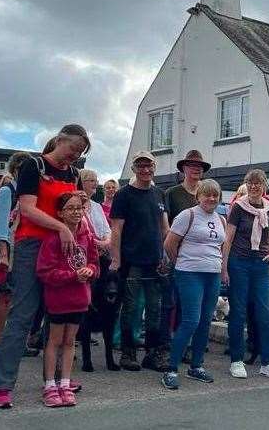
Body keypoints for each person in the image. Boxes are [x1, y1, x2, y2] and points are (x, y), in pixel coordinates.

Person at [0, 124, 89, 409]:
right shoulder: (33, 166)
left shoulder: (73, 173)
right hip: (33, 245)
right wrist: (61, 227)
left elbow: (75, 207)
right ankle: (3, 384)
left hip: (62, 248)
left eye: (80, 153)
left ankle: (57, 380)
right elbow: (29, 208)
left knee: (59, 315)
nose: (74, 157)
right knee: (23, 314)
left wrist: (76, 221)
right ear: (59, 140)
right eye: (72, 150)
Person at [221, 169, 269, 381]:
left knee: (265, 315)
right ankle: (237, 360)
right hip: (239, 262)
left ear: (264, 185)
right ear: (246, 184)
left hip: (260, 264)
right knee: (239, 312)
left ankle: (268, 362)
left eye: (258, 183)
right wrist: (224, 267)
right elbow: (228, 238)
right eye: (250, 183)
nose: (254, 186)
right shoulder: (238, 207)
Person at [161, 179, 226, 390]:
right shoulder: (187, 215)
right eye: (207, 194)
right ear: (198, 196)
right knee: (191, 320)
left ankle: (196, 365)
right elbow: (169, 243)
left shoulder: (221, 219)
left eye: (215, 195)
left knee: (206, 321)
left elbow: (221, 247)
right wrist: (180, 262)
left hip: (212, 274)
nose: (211, 198)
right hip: (190, 273)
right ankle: (170, 368)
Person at [36, 192, 99, 407]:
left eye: (79, 208)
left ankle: (65, 382)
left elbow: (94, 264)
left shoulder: (87, 237)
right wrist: (72, 275)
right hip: (58, 299)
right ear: (60, 213)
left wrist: (89, 271)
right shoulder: (52, 238)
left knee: (71, 341)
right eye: (70, 208)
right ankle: (50, 385)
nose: (76, 212)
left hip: (80, 299)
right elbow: (45, 272)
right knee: (54, 341)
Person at [109, 151, 170, 373]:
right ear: (134, 168)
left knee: (155, 309)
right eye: (140, 166)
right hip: (131, 261)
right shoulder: (123, 195)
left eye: (149, 166)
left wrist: (167, 256)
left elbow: (165, 229)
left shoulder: (159, 194)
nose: (145, 170)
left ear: (154, 167)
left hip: (155, 262)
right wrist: (116, 259)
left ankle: (152, 354)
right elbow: (116, 229)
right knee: (131, 308)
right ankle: (128, 353)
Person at [161, 150, 210, 355]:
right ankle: (167, 343)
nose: (195, 169)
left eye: (199, 166)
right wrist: (170, 254)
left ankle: (188, 345)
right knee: (171, 302)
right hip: (177, 255)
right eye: (191, 165)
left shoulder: (207, 194)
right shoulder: (172, 193)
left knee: (192, 304)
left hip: (201, 259)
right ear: (183, 169)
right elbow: (166, 225)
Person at [0, 152, 32, 348]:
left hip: (23, 246)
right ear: (15, 170)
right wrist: (4, 254)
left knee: (18, 297)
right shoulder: (7, 191)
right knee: (5, 296)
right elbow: (0, 225)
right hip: (8, 247)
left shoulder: (25, 193)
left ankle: (14, 342)